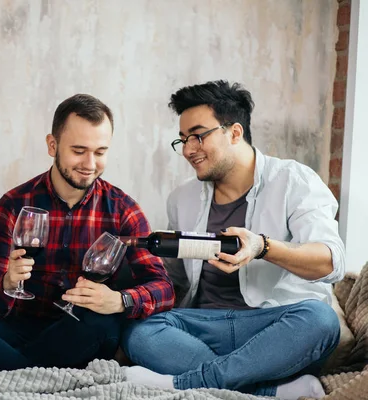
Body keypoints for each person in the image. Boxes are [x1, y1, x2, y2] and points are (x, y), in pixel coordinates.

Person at [121, 80, 345, 399]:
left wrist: (262, 247)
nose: (187, 150)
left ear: (235, 132)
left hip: (273, 328)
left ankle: (185, 383)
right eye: (182, 140)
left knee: (321, 321)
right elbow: (174, 282)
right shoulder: (181, 199)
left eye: (198, 136)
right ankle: (267, 390)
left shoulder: (295, 181)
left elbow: (331, 261)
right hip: (204, 328)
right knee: (139, 331)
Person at [0, 93, 175, 370]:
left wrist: (119, 299)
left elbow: (164, 289)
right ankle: (31, 372)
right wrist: (6, 283)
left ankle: (6, 366)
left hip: (80, 329)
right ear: (52, 145)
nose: (90, 164)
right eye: (79, 151)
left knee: (104, 323)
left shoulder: (123, 209)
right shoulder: (14, 204)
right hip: (17, 327)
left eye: (100, 152)